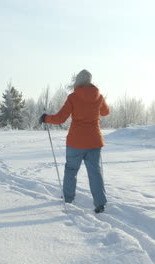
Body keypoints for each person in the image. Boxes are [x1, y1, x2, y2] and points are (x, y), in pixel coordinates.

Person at [40, 69, 110, 213]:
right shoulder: (99, 97)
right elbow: (105, 112)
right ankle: (100, 203)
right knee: (95, 172)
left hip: (75, 142)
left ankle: (68, 198)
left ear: (78, 82)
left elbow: (60, 118)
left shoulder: (73, 97)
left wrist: (46, 118)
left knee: (71, 170)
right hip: (94, 142)